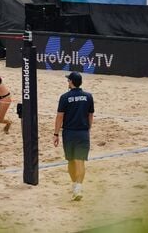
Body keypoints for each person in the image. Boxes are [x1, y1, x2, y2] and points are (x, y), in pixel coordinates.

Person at [54, 72, 94, 201]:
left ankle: (75, 186)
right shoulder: (88, 96)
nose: (67, 82)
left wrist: (55, 134)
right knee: (80, 161)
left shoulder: (64, 97)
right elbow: (90, 115)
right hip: (83, 132)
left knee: (71, 160)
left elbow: (60, 116)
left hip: (69, 132)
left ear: (71, 82)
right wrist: (88, 128)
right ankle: (78, 186)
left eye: (68, 80)